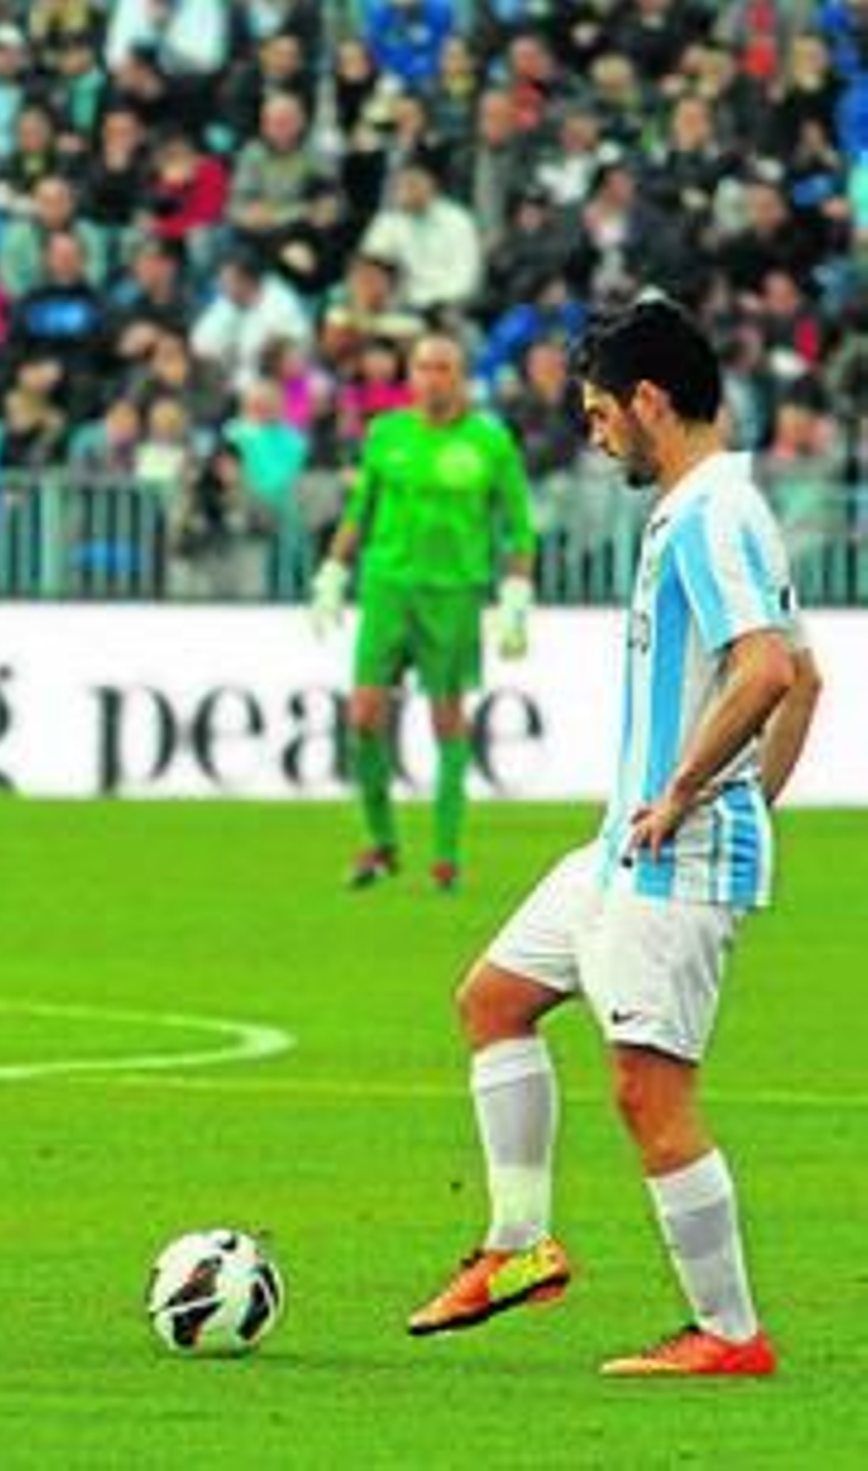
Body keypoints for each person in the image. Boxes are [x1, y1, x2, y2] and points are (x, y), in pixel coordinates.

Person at [405, 298, 823, 1376]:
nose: (593, 435)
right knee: (493, 999)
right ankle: (517, 1245)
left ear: (649, 402)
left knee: (647, 1090)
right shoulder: (704, 507)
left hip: (669, 853)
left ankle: (730, 1332)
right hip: (625, 846)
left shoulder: (710, 516)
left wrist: (695, 797)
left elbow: (768, 668)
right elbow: (805, 678)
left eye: (599, 413)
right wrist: (741, 805)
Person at [309, 333, 536, 891]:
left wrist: (515, 597)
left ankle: (445, 857)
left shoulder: (490, 441)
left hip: (454, 593)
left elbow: (519, 524)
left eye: (443, 367)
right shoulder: (387, 435)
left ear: (460, 376)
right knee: (363, 715)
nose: (432, 377)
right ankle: (381, 843)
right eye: (423, 367)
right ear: (410, 376)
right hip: (388, 587)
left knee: (448, 721)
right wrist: (333, 573)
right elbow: (359, 510)